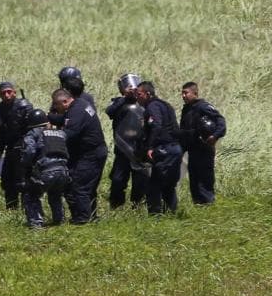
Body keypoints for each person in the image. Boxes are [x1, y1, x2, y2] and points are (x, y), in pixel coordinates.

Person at [53, 87, 107, 224]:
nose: (54, 107)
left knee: (79, 186)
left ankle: (82, 220)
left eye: (56, 104)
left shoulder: (76, 111)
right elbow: (64, 120)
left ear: (65, 101)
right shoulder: (79, 104)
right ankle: (91, 216)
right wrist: (47, 118)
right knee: (89, 187)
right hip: (92, 153)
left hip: (90, 155)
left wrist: (50, 138)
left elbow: (69, 133)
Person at [136, 81, 182, 215]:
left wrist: (149, 147)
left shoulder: (152, 107)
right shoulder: (165, 105)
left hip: (164, 149)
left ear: (147, 94)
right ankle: (171, 213)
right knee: (168, 185)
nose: (137, 97)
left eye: (139, 94)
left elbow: (156, 125)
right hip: (175, 149)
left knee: (155, 185)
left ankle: (155, 215)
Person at [178, 82, 227, 205]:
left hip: (204, 149)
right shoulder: (186, 109)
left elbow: (220, 121)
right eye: (182, 93)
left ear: (195, 93)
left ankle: (208, 206)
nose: (183, 96)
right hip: (192, 150)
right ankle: (198, 205)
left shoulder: (203, 106)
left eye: (186, 93)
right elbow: (184, 131)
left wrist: (214, 136)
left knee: (205, 179)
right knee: (194, 181)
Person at [20, 108, 70, 228]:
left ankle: (36, 224)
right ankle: (59, 221)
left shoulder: (33, 133)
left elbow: (29, 152)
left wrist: (25, 165)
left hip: (46, 172)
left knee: (31, 195)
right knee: (56, 195)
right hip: (64, 171)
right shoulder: (60, 133)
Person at [105, 73, 148, 209]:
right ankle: (116, 205)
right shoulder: (118, 102)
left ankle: (137, 205)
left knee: (139, 181)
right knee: (118, 180)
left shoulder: (144, 103)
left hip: (139, 149)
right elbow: (110, 111)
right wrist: (124, 98)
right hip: (122, 149)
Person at [0, 81, 34, 210]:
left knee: (22, 181)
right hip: (10, 148)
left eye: (9, 92)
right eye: (3, 93)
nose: (6, 95)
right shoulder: (1, 107)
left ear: (14, 93)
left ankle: (26, 209)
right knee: (7, 181)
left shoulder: (24, 106)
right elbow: (1, 131)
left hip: (23, 148)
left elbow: (33, 129)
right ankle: (11, 209)